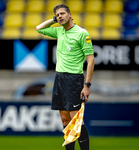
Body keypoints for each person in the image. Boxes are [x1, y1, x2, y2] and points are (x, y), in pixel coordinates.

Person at [36, 4, 95, 150]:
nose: (60, 16)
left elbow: (91, 60)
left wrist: (87, 85)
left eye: (62, 13)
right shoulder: (59, 31)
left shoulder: (82, 33)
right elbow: (39, 28)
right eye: (57, 15)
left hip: (74, 79)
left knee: (76, 121)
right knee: (65, 120)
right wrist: (54, 20)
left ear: (70, 15)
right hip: (59, 79)